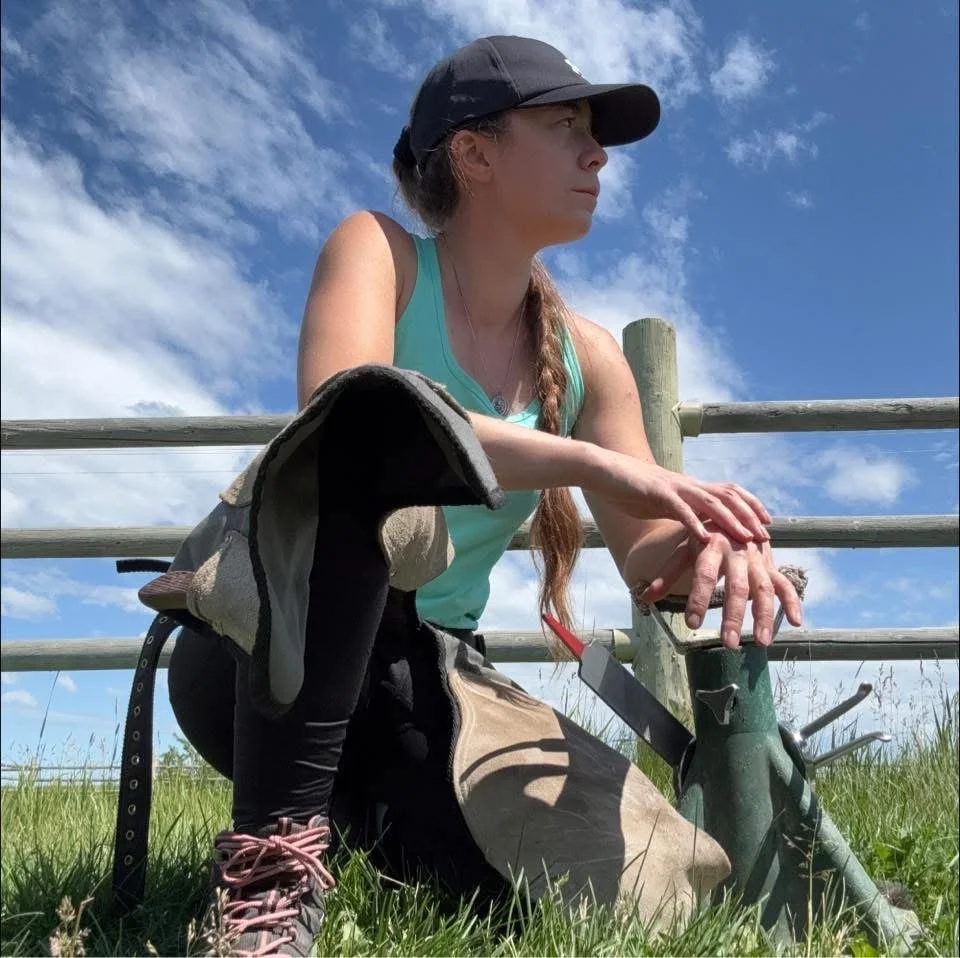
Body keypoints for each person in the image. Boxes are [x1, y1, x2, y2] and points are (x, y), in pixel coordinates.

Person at [166, 34, 803, 956]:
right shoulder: (378, 252)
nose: (597, 154)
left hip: (425, 678)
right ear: (473, 152)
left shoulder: (588, 357)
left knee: (598, 887)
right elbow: (346, 415)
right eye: (566, 125)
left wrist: (711, 542)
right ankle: (269, 876)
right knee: (371, 427)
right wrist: (591, 464)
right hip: (262, 645)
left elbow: (647, 553)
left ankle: (356, 828)